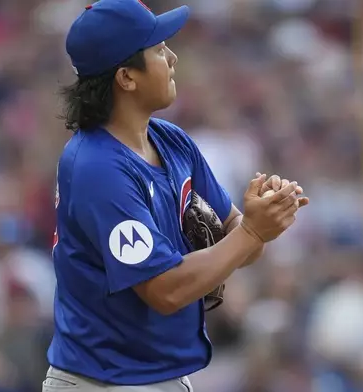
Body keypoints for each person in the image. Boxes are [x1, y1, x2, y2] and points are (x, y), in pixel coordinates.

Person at [43, 0, 309, 391]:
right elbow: (165, 291)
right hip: (101, 382)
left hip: (156, 377)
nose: (173, 57)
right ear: (126, 78)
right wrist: (252, 233)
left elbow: (240, 244)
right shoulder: (96, 167)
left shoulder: (170, 140)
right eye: (158, 49)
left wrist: (259, 221)